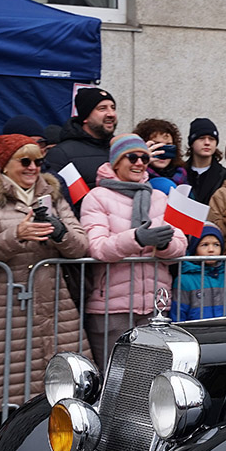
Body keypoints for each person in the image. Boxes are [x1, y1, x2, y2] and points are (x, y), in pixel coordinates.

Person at [0, 133, 89, 440]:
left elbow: (82, 247)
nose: (33, 167)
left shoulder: (53, 195)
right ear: (6, 164)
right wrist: (17, 234)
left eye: (38, 161)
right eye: (25, 161)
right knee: (5, 382)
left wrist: (61, 233)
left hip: (54, 304)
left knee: (59, 381)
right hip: (6, 304)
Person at [80, 133, 188, 365]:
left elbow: (180, 244)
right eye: (132, 157)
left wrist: (164, 244)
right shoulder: (97, 197)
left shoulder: (159, 197)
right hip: (112, 308)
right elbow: (96, 247)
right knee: (113, 379)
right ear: (116, 162)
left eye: (144, 158)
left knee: (150, 379)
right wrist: (136, 238)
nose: (139, 163)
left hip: (155, 307)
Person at [43, 86, 118, 200]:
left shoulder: (119, 149)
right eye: (102, 109)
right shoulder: (62, 154)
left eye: (113, 108)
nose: (111, 114)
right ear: (85, 117)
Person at [172, 222, 226, 322]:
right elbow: (178, 313)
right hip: (194, 333)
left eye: (216, 244)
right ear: (195, 249)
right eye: (205, 245)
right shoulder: (184, 280)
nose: (211, 250)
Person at [134, 118, 188, 188]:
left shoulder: (181, 174)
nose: (162, 152)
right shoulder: (135, 174)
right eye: (156, 145)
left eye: (168, 146)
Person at [186, 117, 226, 203]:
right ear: (192, 143)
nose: (207, 143)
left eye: (211, 139)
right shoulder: (180, 173)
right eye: (201, 138)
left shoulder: (225, 176)